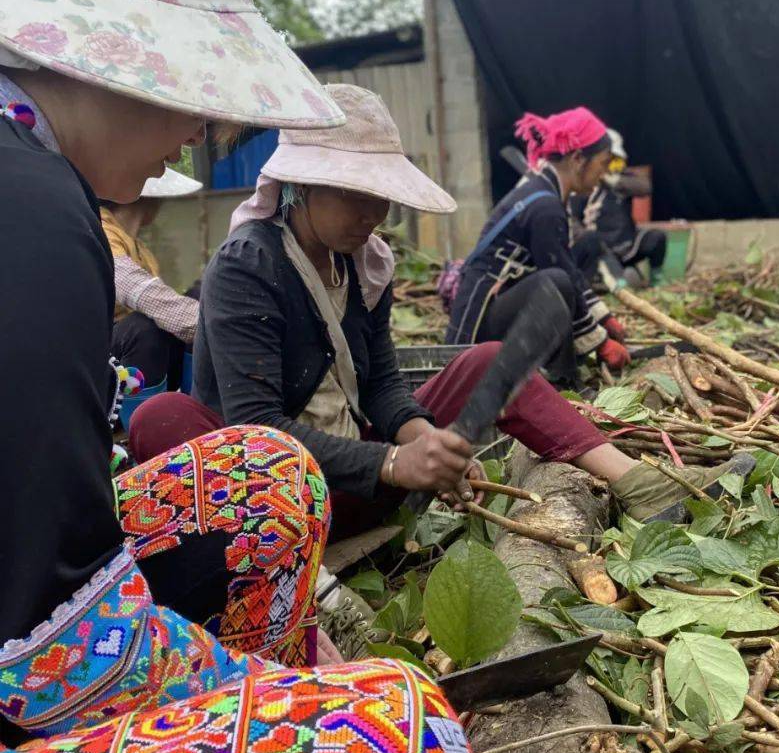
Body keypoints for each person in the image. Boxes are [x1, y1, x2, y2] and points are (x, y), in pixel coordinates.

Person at [0, 0, 479, 753]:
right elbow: (44, 656)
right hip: (32, 661)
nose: (193, 136)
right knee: (399, 752)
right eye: (193, 94)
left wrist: (413, 429)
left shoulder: (354, 272)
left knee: (258, 485)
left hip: (45, 613)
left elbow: (372, 393)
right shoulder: (77, 225)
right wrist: (290, 704)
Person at [129, 87, 735, 545]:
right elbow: (257, 427)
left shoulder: (365, 265)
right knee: (164, 416)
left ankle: (637, 482)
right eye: (358, 195)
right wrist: (394, 462)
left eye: (382, 198)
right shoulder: (248, 267)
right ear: (301, 187)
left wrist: (422, 440)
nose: (376, 213)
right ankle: (307, 592)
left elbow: (383, 386)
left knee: (489, 361)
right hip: (278, 503)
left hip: (361, 481)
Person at [446, 108, 631, 383]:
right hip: (479, 326)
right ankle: (564, 378)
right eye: (602, 164)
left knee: (585, 248)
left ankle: (566, 357)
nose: (603, 174)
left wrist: (604, 319)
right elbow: (562, 276)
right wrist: (600, 342)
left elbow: (568, 264)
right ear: (578, 159)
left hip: (503, 301)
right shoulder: (544, 206)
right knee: (556, 281)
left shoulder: (545, 193)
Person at [101, 163, 202, 390]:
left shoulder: (141, 249)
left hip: (143, 357)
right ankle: (136, 418)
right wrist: (207, 324)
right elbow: (129, 283)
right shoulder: (100, 228)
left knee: (202, 293)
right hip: (104, 358)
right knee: (143, 326)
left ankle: (194, 397)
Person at [570, 129, 667, 288]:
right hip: (602, 249)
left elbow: (645, 187)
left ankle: (657, 282)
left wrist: (613, 180)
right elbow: (573, 218)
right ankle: (616, 283)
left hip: (627, 244)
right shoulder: (582, 185)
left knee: (656, 237)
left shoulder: (620, 179)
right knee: (621, 279)